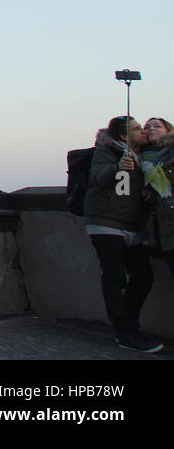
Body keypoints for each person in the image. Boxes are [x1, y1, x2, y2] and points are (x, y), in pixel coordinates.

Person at [84, 116, 161, 353]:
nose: (143, 132)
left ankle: (128, 326)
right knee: (115, 278)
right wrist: (118, 169)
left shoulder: (144, 154)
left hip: (132, 226)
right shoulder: (108, 152)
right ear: (124, 137)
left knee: (142, 276)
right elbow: (98, 178)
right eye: (138, 129)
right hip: (106, 223)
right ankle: (125, 332)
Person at [139, 117, 174, 276]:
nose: (151, 129)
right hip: (164, 230)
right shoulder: (136, 158)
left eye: (157, 126)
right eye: (147, 127)